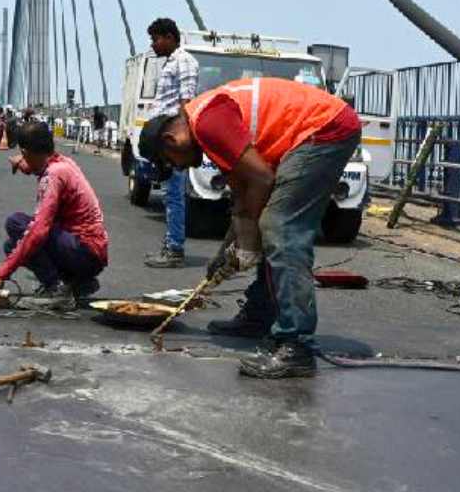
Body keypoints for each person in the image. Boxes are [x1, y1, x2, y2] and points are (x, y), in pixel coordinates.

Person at [139, 76, 360, 378]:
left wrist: (249, 244)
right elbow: (243, 199)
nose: (182, 168)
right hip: (318, 128)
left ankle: (296, 345)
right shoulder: (205, 123)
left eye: (172, 162)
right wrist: (227, 250)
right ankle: (259, 316)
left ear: (170, 141)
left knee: (280, 226)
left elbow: (261, 180)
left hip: (324, 128)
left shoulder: (207, 123)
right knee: (267, 223)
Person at [0, 121, 109, 311]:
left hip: (84, 251)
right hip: (91, 253)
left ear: (27, 152)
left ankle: (57, 289)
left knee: (16, 224)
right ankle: (77, 283)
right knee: (11, 245)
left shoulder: (53, 176)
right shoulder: (64, 163)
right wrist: (24, 164)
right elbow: (38, 166)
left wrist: (1, 274)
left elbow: (38, 231)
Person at [144, 17, 199, 269]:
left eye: (156, 39)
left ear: (169, 37)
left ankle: (175, 248)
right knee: (169, 195)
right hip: (164, 138)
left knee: (174, 195)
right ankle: (170, 244)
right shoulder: (171, 63)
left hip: (173, 140)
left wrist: (182, 141)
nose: (153, 45)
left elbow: (186, 102)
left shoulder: (184, 61)